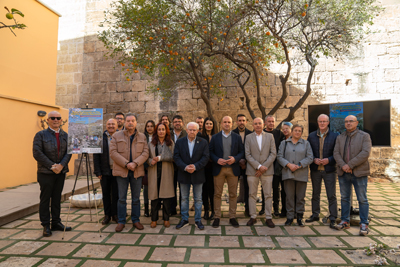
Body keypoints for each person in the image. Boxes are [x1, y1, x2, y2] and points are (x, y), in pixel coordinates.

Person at [33, 111, 72, 237]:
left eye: (58, 118)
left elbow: (69, 152)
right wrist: (52, 166)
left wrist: (61, 166)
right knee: (45, 199)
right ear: (48, 120)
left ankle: (56, 222)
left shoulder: (65, 135)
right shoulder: (40, 135)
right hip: (45, 173)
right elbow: (37, 153)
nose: (56, 120)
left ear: (61, 120)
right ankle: (45, 225)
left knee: (56, 198)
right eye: (53, 118)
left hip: (60, 172)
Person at [110, 113, 149, 232]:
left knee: (136, 198)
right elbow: (113, 152)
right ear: (124, 122)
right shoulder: (116, 135)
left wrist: (135, 163)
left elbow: (146, 153)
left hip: (137, 171)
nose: (130, 123)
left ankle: (136, 220)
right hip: (122, 171)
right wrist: (127, 164)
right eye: (128, 121)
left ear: (136, 122)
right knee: (121, 198)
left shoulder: (142, 136)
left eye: (132, 121)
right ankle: (121, 221)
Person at [333, 115, 372, 236]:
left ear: (357, 123)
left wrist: (349, 165)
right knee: (345, 198)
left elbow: (365, 153)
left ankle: (364, 223)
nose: (348, 123)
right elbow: (336, 153)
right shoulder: (340, 137)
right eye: (346, 121)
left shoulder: (364, 136)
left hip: (359, 172)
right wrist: (343, 166)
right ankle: (345, 221)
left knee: (362, 199)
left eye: (351, 121)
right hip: (343, 172)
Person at [209, 116, 244, 228]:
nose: (227, 124)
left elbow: (242, 152)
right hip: (219, 169)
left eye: (229, 122)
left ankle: (232, 217)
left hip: (233, 169)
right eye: (225, 122)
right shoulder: (215, 137)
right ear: (221, 123)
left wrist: (235, 159)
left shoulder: (237, 137)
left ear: (232, 124)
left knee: (233, 194)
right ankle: (217, 217)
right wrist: (217, 159)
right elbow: (210, 152)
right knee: (217, 194)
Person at [174, 122, 209, 230]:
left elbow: (205, 157)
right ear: (186, 130)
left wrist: (195, 166)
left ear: (198, 131)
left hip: (198, 174)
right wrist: (185, 167)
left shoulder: (203, 142)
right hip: (184, 174)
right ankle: (184, 219)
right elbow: (176, 157)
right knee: (184, 199)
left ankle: (198, 220)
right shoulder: (180, 142)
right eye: (190, 129)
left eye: (194, 130)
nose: (192, 132)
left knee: (198, 199)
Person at [277, 124, 313, 227]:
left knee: (300, 197)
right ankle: (289, 217)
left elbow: (310, 157)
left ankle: (300, 217)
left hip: (301, 174)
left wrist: (299, 165)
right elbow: (279, 157)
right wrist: (288, 165)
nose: (297, 132)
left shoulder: (306, 144)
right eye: (296, 130)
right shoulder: (284, 143)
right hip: (288, 173)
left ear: (302, 133)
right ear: (292, 131)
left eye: (299, 131)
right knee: (289, 197)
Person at [307, 114, 339, 228]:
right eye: (320, 121)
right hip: (315, 170)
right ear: (317, 122)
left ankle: (333, 217)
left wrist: (329, 160)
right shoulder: (311, 136)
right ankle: (315, 214)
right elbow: (308, 152)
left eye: (324, 121)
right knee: (315, 194)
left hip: (329, 170)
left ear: (328, 122)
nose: (322, 123)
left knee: (331, 195)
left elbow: (337, 153)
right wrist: (313, 159)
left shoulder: (335, 136)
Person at [245, 118, 277, 227]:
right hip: (252, 171)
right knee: (252, 194)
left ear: (263, 124)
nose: (258, 125)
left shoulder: (270, 136)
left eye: (260, 123)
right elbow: (247, 154)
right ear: (252, 125)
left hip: (267, 170)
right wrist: (258, 167)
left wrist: (264, 167)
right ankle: (253, 216)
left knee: (268, 194)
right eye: (255, 124)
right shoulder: (248, 137)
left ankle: (268, 217)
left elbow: (273, 153)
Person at [147, 123, 175, 228]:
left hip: (166, 172)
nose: (161, 131)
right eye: (159, 129)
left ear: (166, 131)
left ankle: (166, 219)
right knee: (154, 197)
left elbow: (173, 157)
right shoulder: (151, 143)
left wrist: (160, 158)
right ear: (156, 131)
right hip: (154, 171)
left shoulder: (170, 143)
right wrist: (151, 161)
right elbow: (147, 156)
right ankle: (154, 219)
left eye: (163, 129)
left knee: (166, 197)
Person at [93, 119, 119, 225]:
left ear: (117, 125)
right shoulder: (99, 137)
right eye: (109, 124)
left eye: (113, 124)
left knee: (116, 194)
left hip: (117, 170)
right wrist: (98, 171)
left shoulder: (121, 136)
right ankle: (107, 215)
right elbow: (96, 156)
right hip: (104, 171)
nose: (111, 126)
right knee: (106, 194)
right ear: (106, 125)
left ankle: (115, 214)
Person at [264, 115, 285, 217]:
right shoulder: (262, 133)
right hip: (264, 164)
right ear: (265, 123)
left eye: (273, 121)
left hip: (276, 165)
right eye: (269, 121)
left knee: (276, 188)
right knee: (264, 187)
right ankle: (264, 208)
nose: (271, 123)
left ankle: (276, 209)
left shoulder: (279, 134)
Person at [232, 114, 253, 217]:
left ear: (246, 122)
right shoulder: (232, 133)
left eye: (243, 120)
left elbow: (252, 150)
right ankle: (233, 211)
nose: (241, 122)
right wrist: (238, 160)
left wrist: (245, 161)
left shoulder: (251, 133)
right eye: (239, 120)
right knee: (233, 188)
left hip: (248, 165)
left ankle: (248, 209)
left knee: (248, 188)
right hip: (235, 164)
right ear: (236, 122)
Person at [197, 117, 217, 220]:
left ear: (213, 125)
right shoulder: (200, 136)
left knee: (213, 190)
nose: (208, 125)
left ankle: (213, 210)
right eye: (207, 123)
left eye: (210, 124)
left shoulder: (216, 136)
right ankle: (206, 211)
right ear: (204, 125)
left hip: (214, 166)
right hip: (203, 167)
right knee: (204, 190)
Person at [170, 115, 187, 215]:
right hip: (171, 165)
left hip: (182, 166)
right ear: (173, 123)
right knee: (171, 188)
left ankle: (182, 209)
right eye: (175, 121)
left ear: (183, 123)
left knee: (183, 189)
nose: (177, 123)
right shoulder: (169, 134)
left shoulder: (186, 134)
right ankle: (172, 209)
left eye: (179, 121)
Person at [143, 120, 156, 217]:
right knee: (146, 189)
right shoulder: (143, 137)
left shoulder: (157, 137)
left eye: (151, 126)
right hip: (145, 167)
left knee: (154, 189)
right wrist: (146, 165)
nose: (150, 128)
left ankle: (154, 208)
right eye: (148, 126)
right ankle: (146, 209)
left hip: (155, 166)